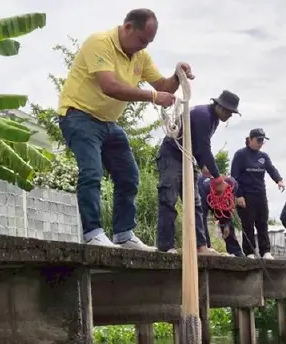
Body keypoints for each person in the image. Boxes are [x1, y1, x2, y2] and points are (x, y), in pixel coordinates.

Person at [57, 8, 192, 250]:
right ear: (128, 27)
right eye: (141, 40)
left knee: (129, 175)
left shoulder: (140, 56)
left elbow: (164, 86)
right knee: (92, 172)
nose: (143, 47)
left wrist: (177, 73)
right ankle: (92, 233)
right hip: (79, 116)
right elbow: (110, 87)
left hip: (108, 123)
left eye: (148, 43)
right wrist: (152, 96)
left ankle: (123, 234)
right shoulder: (99, 43)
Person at [155, 90, 240, 254]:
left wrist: (203, 166)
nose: (229, 115)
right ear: (220, 106)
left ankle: (200, 246)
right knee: (168, 199)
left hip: (187, 159)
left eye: (232, 113)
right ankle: (166, 247)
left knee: (195, 204)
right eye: (228, 112)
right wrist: (217, 178)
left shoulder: (212, 118)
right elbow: (204, 148)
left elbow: (198, 146)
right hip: (171, 155)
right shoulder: (203, 115)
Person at [230, 128, 285, 259]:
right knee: (248, 224)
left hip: (260, 194)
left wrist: (279, 180)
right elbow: (234, 177)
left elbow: (271, 169)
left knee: (262, 222)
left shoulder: (263, 156)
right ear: (250, 139)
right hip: (245, 195)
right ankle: (249, 252)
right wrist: (239, 195)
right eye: (258, 140)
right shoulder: (240, 155)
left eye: (262, 141)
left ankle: (265, 251)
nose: (260, 143)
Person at [200, 176, 245, 257]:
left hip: (220, 201)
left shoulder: (233, 185)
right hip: (206, 196)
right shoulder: (204, 188)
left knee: (227, 224)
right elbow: (201, 218)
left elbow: (228, 206)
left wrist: (226, 224)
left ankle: (235, 252)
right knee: (201, 218)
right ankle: (206, 246)